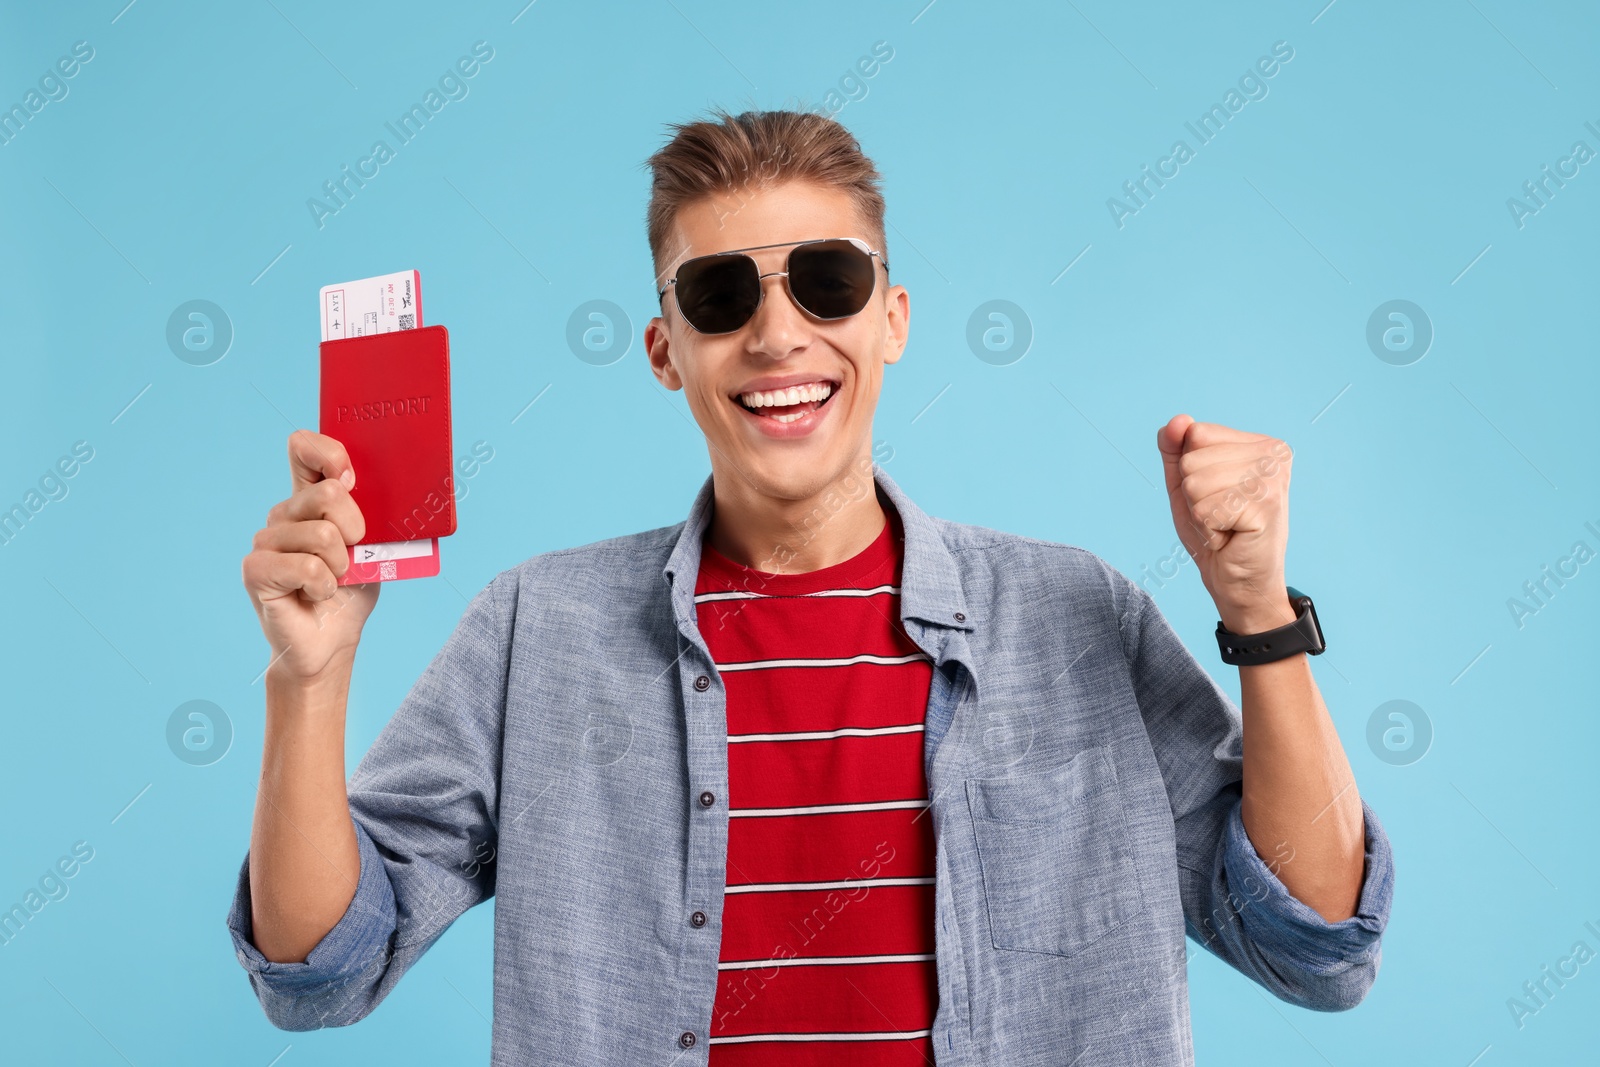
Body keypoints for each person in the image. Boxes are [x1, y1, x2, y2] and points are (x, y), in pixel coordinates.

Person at [229, 107, 1392, 1066]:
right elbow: (320, 967)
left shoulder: (1078, 612)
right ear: (663, 349)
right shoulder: (541, 626)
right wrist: (309, 680)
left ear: (890, 321)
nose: (778, 333)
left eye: (825, 282)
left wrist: (1259, 617)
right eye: (721, 295)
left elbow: (1315, 940)